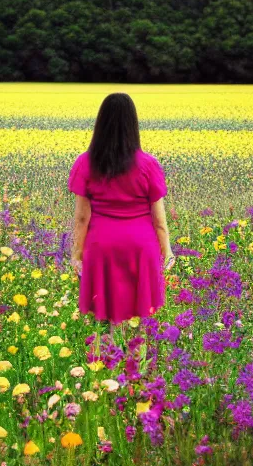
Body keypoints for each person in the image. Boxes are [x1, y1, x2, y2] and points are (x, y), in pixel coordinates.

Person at [67, 92, 175, 340]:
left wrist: (76, 253)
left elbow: (82, 218)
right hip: (140, 246)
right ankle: (137, 368)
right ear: (132, 124)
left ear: (101, 123)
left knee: (111, 313)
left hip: (102, 245)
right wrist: (167, 250)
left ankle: (110, 366)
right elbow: (159, 220)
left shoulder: (85, 163)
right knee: (141, 314)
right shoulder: (148, 164)